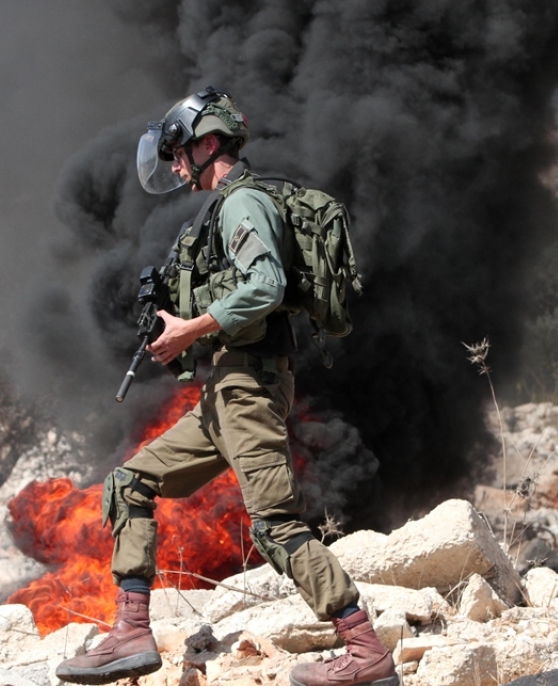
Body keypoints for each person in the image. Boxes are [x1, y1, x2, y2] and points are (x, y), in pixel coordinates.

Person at [55, 87, 398, 686]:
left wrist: (192, 327)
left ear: (209, 143)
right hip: (226, 392)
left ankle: (365, 648)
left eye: (181, 153)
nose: (176, 167)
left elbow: (264, 285)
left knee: (275, 524)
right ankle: (132, 632)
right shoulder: (225, 207)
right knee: (129, 482)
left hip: (250, 388)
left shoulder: (243, 204)